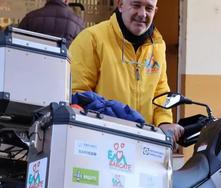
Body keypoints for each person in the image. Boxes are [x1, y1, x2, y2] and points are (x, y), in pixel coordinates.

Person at [69, 0, 184, 144]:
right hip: (100, 142)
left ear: (156, 11)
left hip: (144, 144)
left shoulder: (158, 45)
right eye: (136, 5)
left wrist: (164, 122)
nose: (142, 14)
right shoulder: (92, 38)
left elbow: (160, 91)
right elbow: (78, 95)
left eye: (149, 8)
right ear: (120, 4)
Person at [18, 0, 84, 48]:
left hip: (32, 63)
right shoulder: (78, 23)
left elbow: (16, 42)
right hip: (62, 66)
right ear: (66, 0)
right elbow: (80, 52)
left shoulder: (30, 17)